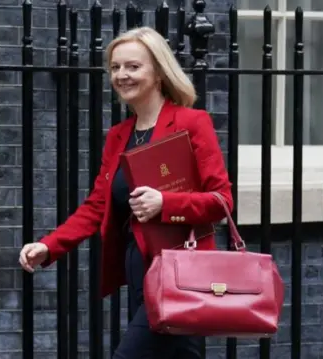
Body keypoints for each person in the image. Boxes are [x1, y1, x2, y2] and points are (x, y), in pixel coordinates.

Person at [18, 26, 233, 359]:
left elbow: (221, 201)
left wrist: (166, 203)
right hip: (139, 273)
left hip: (179, 275)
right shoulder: (120, 135)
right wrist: (49, 246)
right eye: (115, 67)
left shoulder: (192, 123)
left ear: (159, 72)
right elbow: (97, 205)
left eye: (133, 66)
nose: (121, 75)